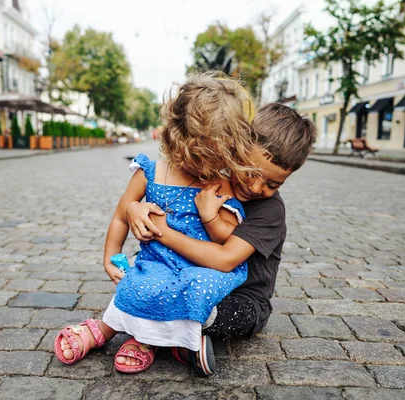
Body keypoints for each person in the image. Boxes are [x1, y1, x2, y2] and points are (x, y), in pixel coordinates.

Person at [53, 72, 260, 375]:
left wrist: (210, 216)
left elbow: (226, 238)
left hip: (199, 265)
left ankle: (156, 340)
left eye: (215, 160)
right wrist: (110, 255)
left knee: (196, 289)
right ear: (178, 138)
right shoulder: (151, 172)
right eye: (199, 157)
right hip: (156, 259)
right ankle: (108, 331)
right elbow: (122, 214)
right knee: (138, 284)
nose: (205, 168)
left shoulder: (222, 184)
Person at [127, 102, 317, 344]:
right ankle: (178, 333)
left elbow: (225, 259)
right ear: (237, 150)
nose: (256, 187)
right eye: (251, 171)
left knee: (229, 314)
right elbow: (165, 192)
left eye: (273, 184)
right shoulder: (211, 177)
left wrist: (162, 232)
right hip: (190, 275)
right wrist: (136, 207)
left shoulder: (270, 210)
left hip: (241, 296)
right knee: (156, 277)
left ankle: (180, 331)